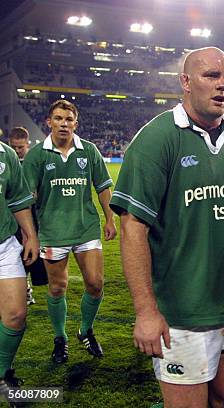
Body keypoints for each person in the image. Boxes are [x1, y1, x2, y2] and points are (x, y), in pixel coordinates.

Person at [110, 47, 224, 408]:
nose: (222, 85)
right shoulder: (157, 138)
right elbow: (133, 228)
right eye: (211, 76)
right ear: (186, 82)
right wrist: (146, 311)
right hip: (182, 309)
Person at [22, 100, 116, 364]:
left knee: (96, 284)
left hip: (86, 228)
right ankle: (60, 338)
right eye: (59, 118)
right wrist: (31, 234)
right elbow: (28, 197)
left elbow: (103, 187)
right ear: (49, 122)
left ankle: (85, 330)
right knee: (57, 288)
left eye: (69, 119)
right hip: (53, 232)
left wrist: (110, 219)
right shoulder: (38, 155)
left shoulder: (89, 151)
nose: (64, 124)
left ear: (76, 123)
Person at [0, 137, 39, 401]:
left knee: (15, 314)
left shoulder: (5, 154)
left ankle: (2, 373)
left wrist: (30, 235)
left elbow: (17, 199)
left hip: (4, 244)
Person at [8, 127, 48, 306]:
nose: (17, 151)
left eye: (20, 147)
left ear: (27, 144)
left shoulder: (35, 162)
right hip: (11, 219)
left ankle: (50, 291)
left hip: (35, 217)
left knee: (35, 255)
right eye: (14, 147)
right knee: (16, 257)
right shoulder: (6, 161)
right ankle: (24, 290)